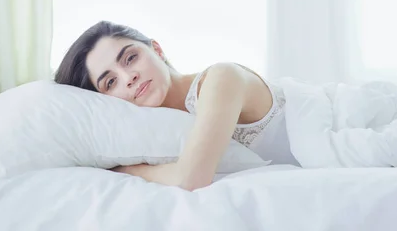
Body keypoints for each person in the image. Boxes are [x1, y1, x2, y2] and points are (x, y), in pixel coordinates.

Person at [54, 21, 297, 191]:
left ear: (156, 50)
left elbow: (190, 179)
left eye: (130, 58)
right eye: (110, 82)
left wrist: (126, 170)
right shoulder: (154, 132)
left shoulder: (221, 78)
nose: (129, 78)